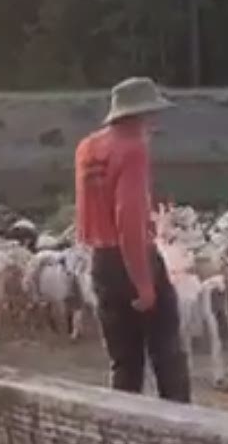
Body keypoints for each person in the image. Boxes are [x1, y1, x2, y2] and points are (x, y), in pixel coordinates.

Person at [74, 77, 189, 400]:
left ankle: (121, 435)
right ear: (140, 115)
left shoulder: (87, 147)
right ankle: (183, 433)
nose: (155, 121)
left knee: (123, 362)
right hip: (132, 259)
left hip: (100, 261)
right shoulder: (133, 149)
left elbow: (86, 210)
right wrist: (144, 284)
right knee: (168, 358)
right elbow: (130, 221)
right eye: (152, 113)